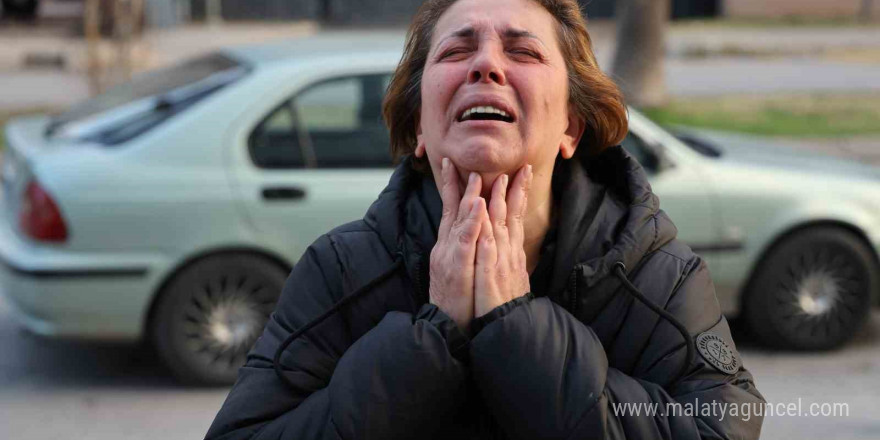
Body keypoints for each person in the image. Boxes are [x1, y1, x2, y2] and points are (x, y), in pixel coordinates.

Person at [206, 0, 765, 438]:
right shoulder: (342, 268)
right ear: (419, 126)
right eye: (456, 51)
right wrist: (430, 339)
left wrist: (518, 331)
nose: (487, 64)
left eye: (523, 52)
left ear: (572, 126)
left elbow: (723, 426)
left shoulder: (653, 271)